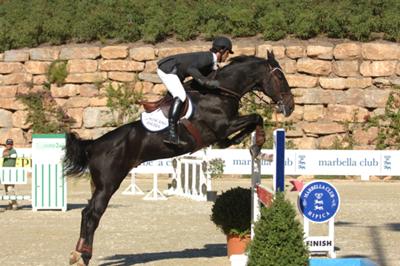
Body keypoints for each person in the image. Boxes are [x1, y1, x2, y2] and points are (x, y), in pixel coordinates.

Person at [157, 36, 234, 146]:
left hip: (175, 71)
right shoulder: (208, 58)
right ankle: (171, 134)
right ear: (222, 50)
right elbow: (191, 69)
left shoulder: (211, 61)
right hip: (168, 69)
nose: (228, 56)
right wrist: (204, 81)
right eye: (228, 53)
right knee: (180, 95)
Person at [2, 138, 18, 210]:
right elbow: (4, 154)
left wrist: (6, 152)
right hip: (5, 171)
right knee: (6, 189)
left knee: (10, 188)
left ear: (12, 145)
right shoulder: (6, 150)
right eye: (7, 144)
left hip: (11, 172)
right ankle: (10, 204)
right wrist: (5, 153)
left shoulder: (13, 151)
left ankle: (14, 204)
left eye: (10, 144)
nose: (8, 145)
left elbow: (5, 154)